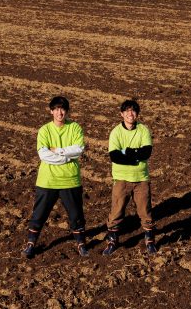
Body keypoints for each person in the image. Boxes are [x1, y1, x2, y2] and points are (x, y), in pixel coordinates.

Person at [23, 95, 88, 259]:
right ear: (51, 111)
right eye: (57, 109)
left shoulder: (75, 127)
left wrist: (58, 151)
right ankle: (31, 244)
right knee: (39, 215)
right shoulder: (44, 130)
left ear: (67, 111)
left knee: (76, 216)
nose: (60, 112)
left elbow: (79, 149)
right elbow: (44, 155)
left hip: (70, 180)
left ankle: (81, 244)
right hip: (47, 181)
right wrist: (67, 155)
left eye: (63, 109)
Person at [103, 99, 156, 255]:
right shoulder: (116, 132)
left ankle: (150, 241)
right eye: (127, 111)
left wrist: (126, 152)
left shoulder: (143, 130)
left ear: (137, 114)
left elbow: (146, 152)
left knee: (145, 211)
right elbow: (115, 156)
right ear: (121, 114)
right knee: (116, 211)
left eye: (133, 111)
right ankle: (112, 241)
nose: (130, 114)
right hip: (121, 179)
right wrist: (135, 155)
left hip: (141, 179)